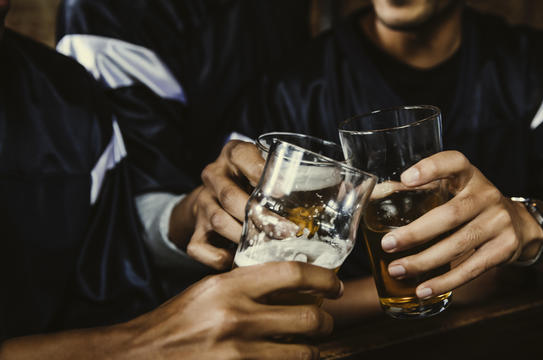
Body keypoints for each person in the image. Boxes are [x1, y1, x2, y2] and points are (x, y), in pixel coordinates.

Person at [59, 0, 543, 323]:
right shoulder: (286, 87)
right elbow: (255, 282)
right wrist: (475, 283)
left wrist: (525, 227)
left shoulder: (531, 65)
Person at [0, 1, 342, 357]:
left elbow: (110, 283)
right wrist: (136, 343)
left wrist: (202, 207)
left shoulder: (65, 94)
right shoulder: (98, 34)